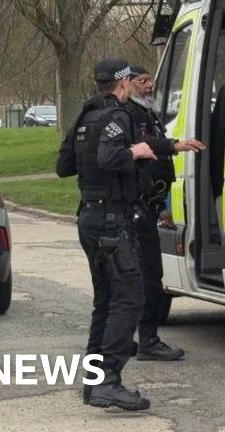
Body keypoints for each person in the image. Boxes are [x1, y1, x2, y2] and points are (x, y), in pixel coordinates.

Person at [56, 58, 156, 411]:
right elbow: (111, 156)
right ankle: (109, 380)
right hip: (113, 221)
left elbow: (63, 166)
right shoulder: (117, 115)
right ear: (123, 82)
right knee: (130, 298)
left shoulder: (86, 115)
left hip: (90, 217)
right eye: (131, 80)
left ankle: (93, 383)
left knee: (106, 301)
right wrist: (136, 151)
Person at [126, 66, 204, 361]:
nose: (149, 86)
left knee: (147, 275)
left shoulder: (147, 113)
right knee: (147, 277)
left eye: (151, 82)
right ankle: (146, 340)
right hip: (133, 209)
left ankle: (135, 339)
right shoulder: (128, 116)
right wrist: (175, 145)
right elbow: (144, 151)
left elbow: (154, 169)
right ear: (127, 83)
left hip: (148, 204)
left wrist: (161, 207)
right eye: (142, 81)